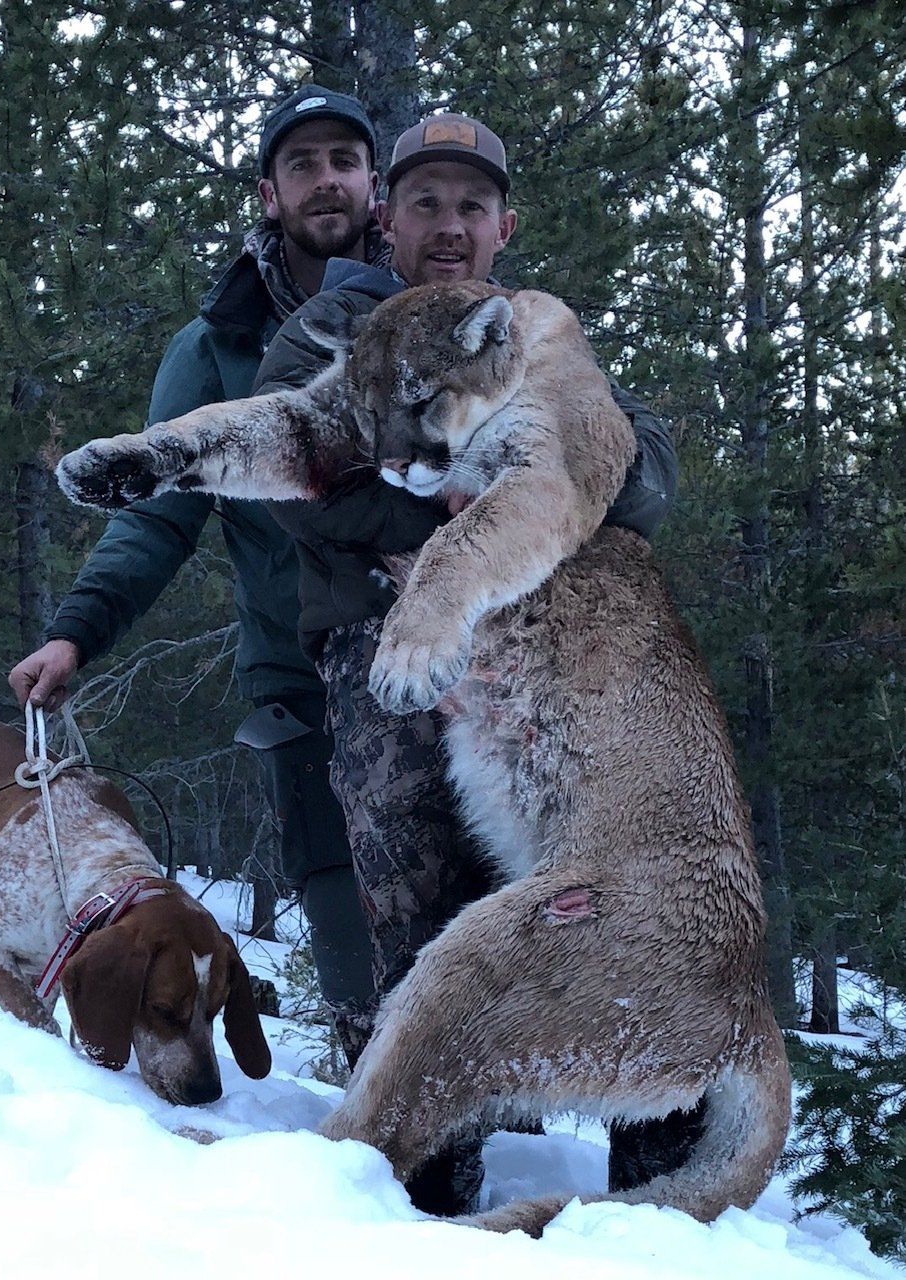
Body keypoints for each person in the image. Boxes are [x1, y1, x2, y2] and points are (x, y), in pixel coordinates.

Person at [253, 112, 701, 1215]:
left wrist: (560, 482)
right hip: (389, 634)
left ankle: (664, 1212)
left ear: (505, 226)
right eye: (424, 204)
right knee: (416, 883)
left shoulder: (537, 332)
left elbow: (647, 477)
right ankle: (418, 1195)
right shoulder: (333, 329)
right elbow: (311, 489)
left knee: (651, 885)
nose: (448, 226)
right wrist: (469, 510)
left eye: (471, 206)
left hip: (563, 653)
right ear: (386, 220)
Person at [8, 86, 385, 1062]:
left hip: (445, 667)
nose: (326, 180)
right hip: (302, 673)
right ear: (269, 192)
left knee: (474, 900)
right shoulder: (214, 348)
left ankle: (500, 1112)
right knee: (342, 903)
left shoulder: (426, 310)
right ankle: (377, 1090)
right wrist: (76, 630)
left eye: (345, 160)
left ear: (374, 184)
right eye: (302, 164)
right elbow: (157, 512)